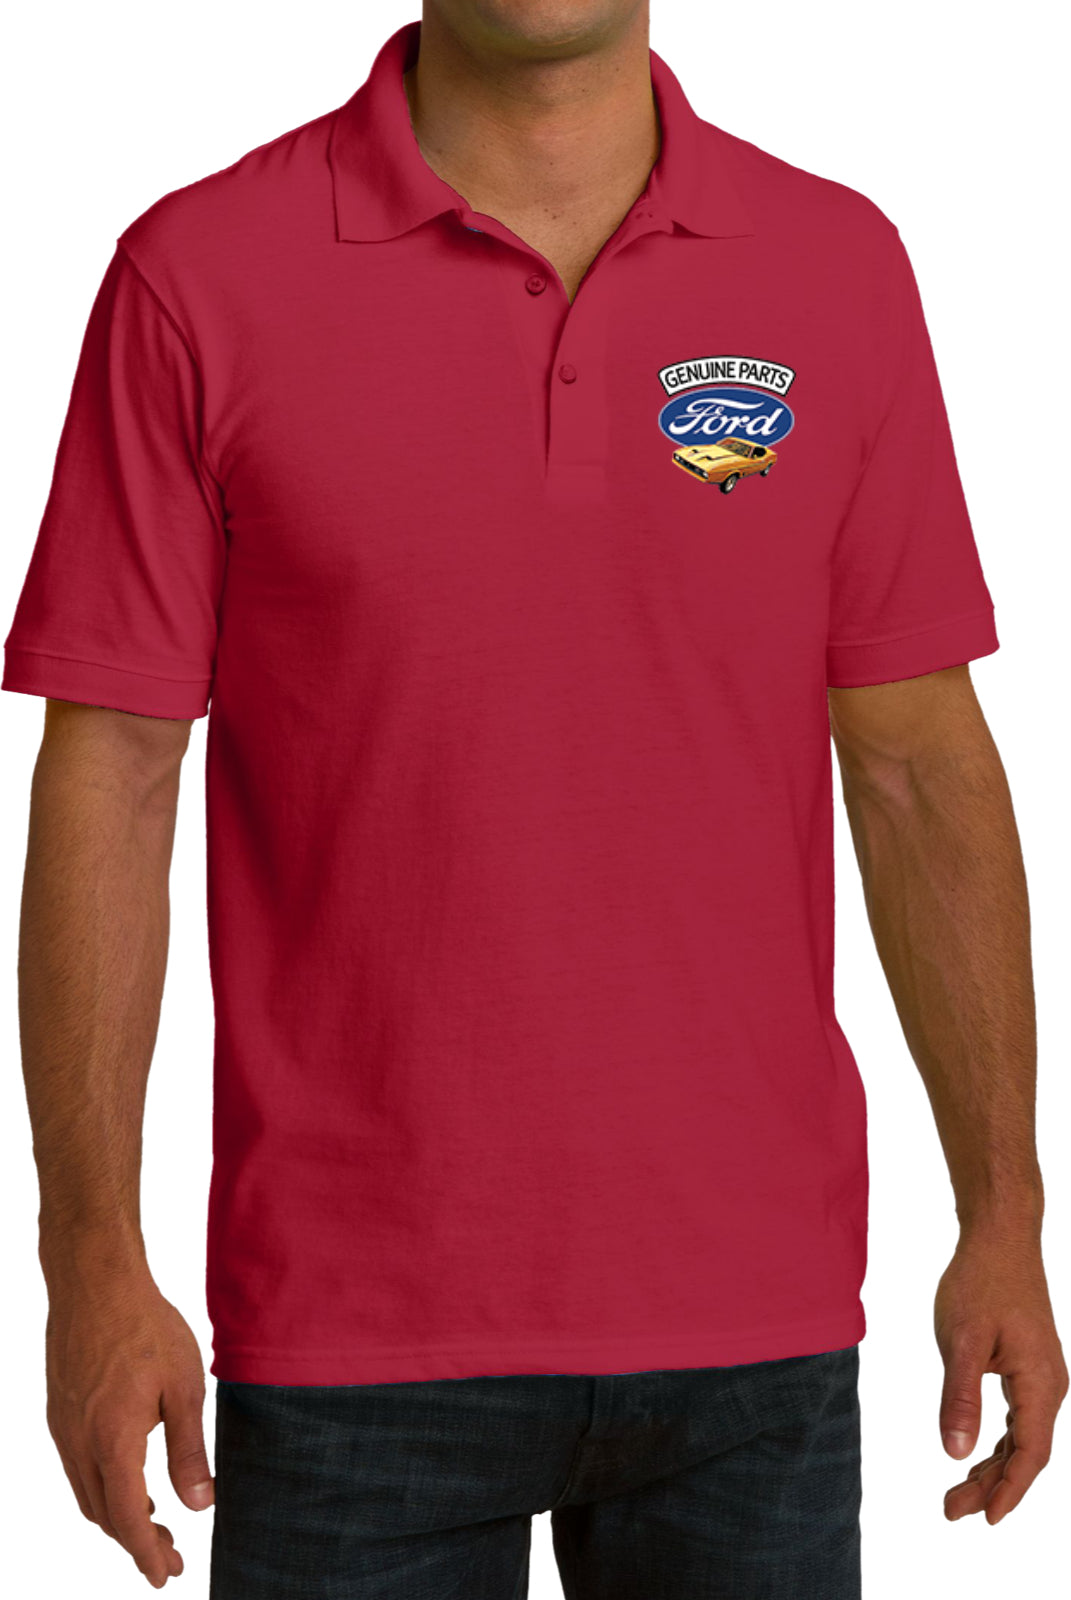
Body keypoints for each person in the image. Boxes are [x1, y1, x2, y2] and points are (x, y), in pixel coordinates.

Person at [5, 4, 1065, 1596]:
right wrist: (91, 1261)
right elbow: (114, 775)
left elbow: (919, 765)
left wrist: (1005, 1214)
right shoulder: (199, 276)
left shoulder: (836, 267)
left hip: (750, 1330)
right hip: (350, 1334)